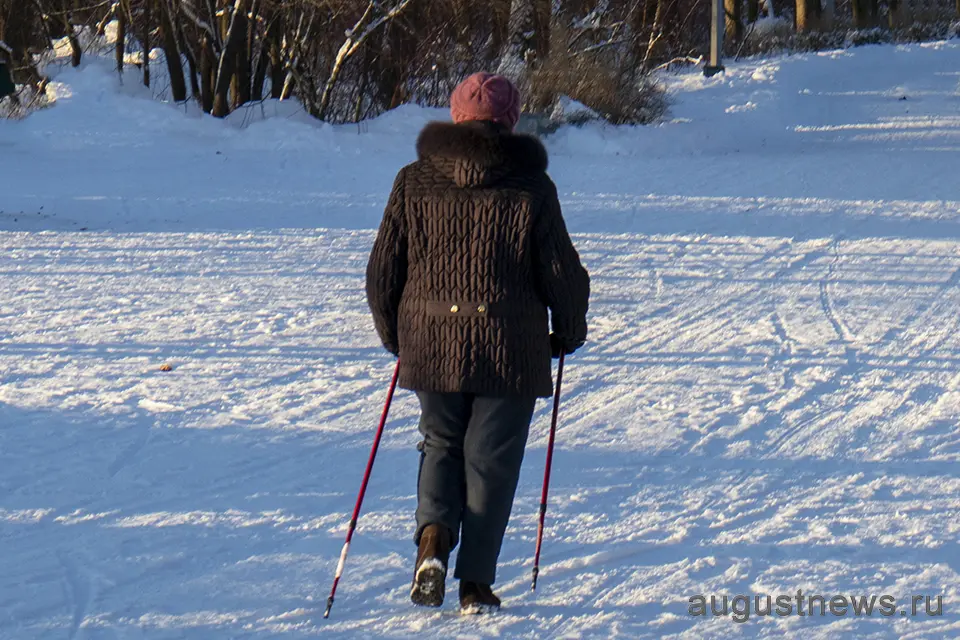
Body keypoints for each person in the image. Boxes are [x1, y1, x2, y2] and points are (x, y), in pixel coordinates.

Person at [365, 72, 590, 614]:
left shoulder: (413, 180)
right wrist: (570, 329)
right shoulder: (533, 187)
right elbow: (561, 271)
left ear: (456, 117)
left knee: (441, 443)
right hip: (509, 344)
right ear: (511, 121)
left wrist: (396, 333)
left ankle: (433, 542)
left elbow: (381, 272)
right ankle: (475, 586)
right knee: (490, 460)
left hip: (431, 341)